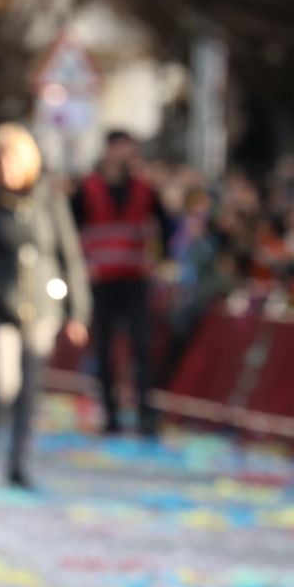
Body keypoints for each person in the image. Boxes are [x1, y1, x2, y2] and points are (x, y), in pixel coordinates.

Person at [0, 124, 91, 489]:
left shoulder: (49, 201)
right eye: (2, 159)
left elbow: (69, 257)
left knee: (29, 389)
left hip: (42, 307)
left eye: (14, 158)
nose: (8, 166)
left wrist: (78, 312)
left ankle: (18, 462)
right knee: (1, 383)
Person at [72, 130, 171, 435]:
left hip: (134, 280)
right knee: (103, 350)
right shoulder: (86, 190)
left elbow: (165, 225)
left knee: (141, 348)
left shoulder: (144, 189)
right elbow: (69, 231)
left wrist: (160, 258)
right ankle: (110, 415)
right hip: (100, 282)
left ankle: (145, 414)